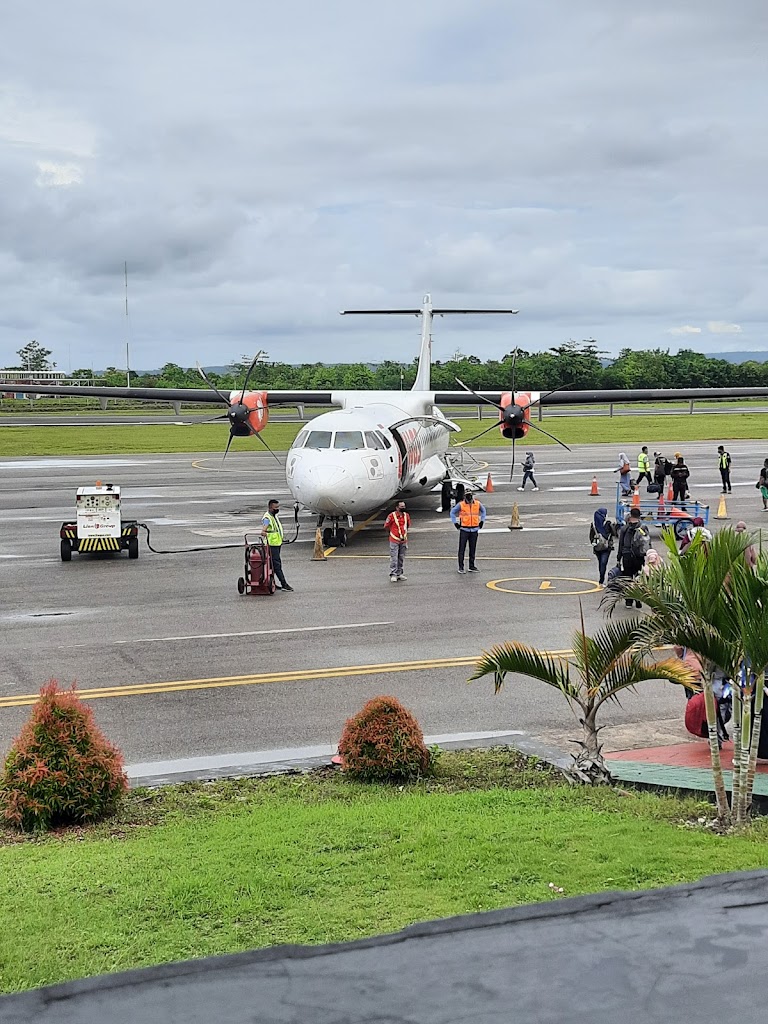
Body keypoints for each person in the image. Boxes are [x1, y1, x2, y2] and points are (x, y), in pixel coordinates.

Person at [616, 507, 650, 607]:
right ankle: (638, 600)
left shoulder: (624, 529)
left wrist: (619, 558)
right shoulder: (643, 528)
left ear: (630, 515)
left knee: (628, 579)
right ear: (639, 516)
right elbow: (647, 542)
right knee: (638, 578)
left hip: (627, 556)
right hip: (639, 556)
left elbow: (621, 544)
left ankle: (629, 601)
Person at [261, 498, 293, 592]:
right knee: (277, 564)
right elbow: (264, 527)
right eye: (276, 507)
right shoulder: (267, 518)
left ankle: (272, 582)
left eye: (278, 507)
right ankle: (284, 584)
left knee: (272, 565)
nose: (277, 509)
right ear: (270, 508)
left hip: (276, 543)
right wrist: (264, 531)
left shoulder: (273, 516)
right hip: (271, 544)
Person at [450, 490, 486, 574]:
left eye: (470, 495)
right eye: (467, 495)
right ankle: (461, 567)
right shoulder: (461, 504)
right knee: (462, 549)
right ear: (464, 496)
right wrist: (455, 523)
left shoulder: (477, 504)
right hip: (464, 530)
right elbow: (452, 512)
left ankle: (471, 566)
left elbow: (483, 511)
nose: (469, 497)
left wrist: (482, 521)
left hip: (474, 529)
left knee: (472, 549)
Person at [384, 500, 410, 582]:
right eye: (401, 506)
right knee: (394, 557)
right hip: (394, 539)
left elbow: (407, 525)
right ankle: (393, 574)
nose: (403, 508)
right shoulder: (392, 516)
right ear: (397, 507)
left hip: (403, 540)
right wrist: (392, 533)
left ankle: (400, 573)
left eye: (404, 506)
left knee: (401, 557)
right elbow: (386, 526)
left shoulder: (406, 515)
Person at [589, 507, 616, 586]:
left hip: (598, 547)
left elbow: (591, 537)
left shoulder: (594, 524)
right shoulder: (606, 523)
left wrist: (595, 545)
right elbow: (614, 533)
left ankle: (601, 579)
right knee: (603, 563)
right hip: (606, 547)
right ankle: (601, 579)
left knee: (601, 563)